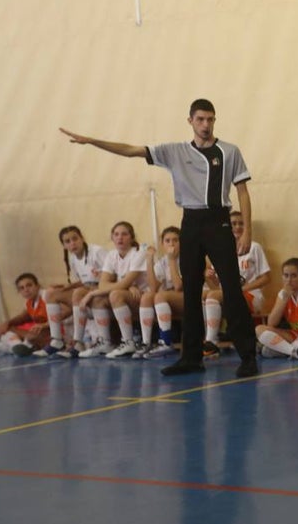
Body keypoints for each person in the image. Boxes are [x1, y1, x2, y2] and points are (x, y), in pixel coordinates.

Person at [60, 98, 259, 377]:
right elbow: (131, 150)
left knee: (231, 289)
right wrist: (92, 141)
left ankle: (248, 356)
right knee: (189, 290)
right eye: (200, 119)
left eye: (210, 119)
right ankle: (191, 357)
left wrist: (246, 230)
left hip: (219, 222)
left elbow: (243, 192)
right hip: (190, 221)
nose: (205, 124)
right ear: (190, 120)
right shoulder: (174, 151)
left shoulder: (229, 151)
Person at [73, 221, 150, 359]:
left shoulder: (139, 253)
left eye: (124, 234)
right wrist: (126, 285)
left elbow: (125, 282)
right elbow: (103, 284)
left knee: (114, 294)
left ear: (131, 237)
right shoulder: (112, 254)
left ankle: (128, 341)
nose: (120, 238)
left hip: (144, 296)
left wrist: (92, 292)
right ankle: (105, 342)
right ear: (112, 237)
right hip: (128, 293)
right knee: (99, 299)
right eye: (116, 234)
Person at [201, 210, 270, 358]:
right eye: (233, 224)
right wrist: (208, 276)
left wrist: (242, 288)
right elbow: (217, 287)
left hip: (252, 294)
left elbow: (266, 278)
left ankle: (211, 341)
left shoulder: (254, 247)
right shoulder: (220, 250)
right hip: (228, 295)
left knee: (213, 295)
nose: (237, 227)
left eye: (241, 223)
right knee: (206, 295)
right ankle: (215, 335)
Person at [42, 225, 107, 359]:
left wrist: (98, 280)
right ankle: (57, 341)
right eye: (68, 241)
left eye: (75, 239)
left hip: (103, 289)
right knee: (51, 294)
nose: (72, 243)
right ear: (64, 245)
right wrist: (65, 287)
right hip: (86, 288)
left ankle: (78, 342)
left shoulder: (97, 251)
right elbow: (84, 281)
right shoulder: (72, 258)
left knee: (78, 293)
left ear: (82, 238)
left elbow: (113, 275)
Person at [142, 226, 184, 359]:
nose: (171, 244)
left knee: (160, 296)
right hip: (170, 298)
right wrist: (149, 262)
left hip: (191, 297)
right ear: (162, 244)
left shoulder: (187, 258)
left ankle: (166, 342)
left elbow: (178, 286)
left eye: (175, 240)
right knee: (147, 297)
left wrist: (172, 260)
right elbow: (153, 288)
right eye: (168, 241)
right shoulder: (162, 261)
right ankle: (146, 343)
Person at [0, 273, 51, 357]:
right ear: (19, 292)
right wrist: (7, 323)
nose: (26, 290)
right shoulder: (29, 302)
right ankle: (18, 346)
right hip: (40, 333)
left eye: (29, 285)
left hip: (57, 333)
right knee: (2, 328)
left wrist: (44, 325)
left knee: (27, 335)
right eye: (22, 288)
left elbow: (61, 318)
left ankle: (18, 346)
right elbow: (22, 317)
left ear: (37, 286)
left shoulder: (47, 296)